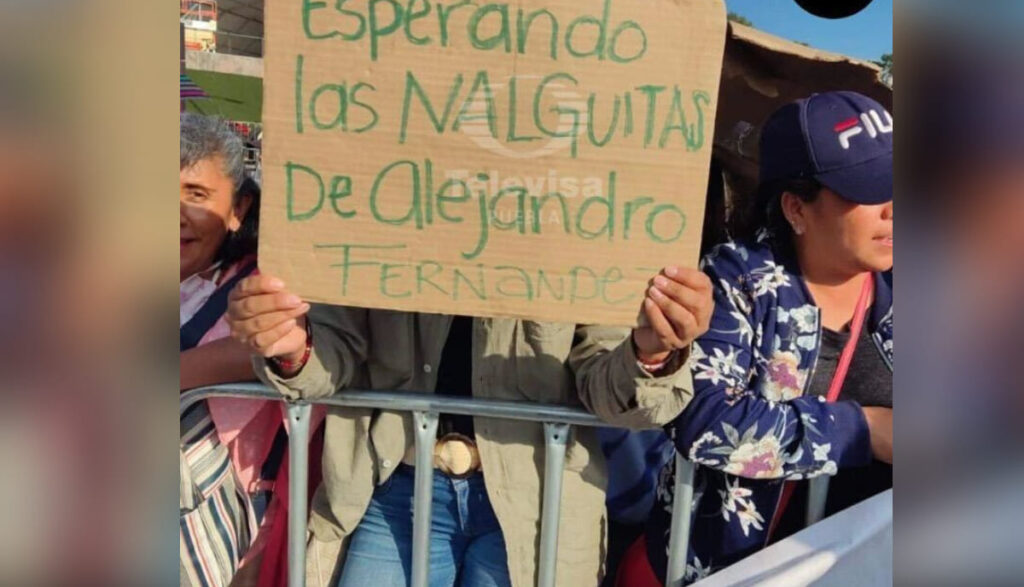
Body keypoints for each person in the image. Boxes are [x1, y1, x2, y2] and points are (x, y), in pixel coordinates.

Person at [226, 258, 715, 584]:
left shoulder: (581, 219)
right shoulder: (382, 193)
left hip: (536, 499)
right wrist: (292, 344)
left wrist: (650, 351)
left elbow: (610, 388)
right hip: (394, 485)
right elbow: (332, 347)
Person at [637, 91, 894, 584]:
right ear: (797, 208)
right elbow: (704, 418)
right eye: (868, 189)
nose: (892, 209)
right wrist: (865, 430)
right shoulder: (734, 282)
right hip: (741, 570)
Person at [179, 113, 287, 587]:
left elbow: (257, 349)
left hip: (207, 521)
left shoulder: (256, 285)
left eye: (196, 195)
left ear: (238, 208)